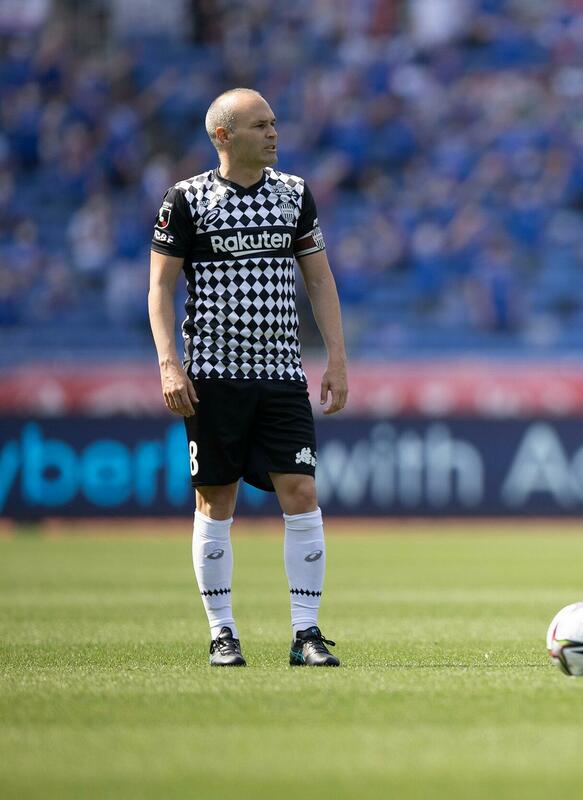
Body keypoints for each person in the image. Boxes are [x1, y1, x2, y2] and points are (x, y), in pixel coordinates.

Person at [148, 88, 349, 667]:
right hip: (213, 375)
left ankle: (306, 634)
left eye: (273, 123)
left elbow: (319, 279)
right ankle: (222, 633)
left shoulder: (294, 194)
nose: (273, 133)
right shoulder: (186, 199)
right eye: (259, 125)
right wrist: (169, 362)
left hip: (282, 373)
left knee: (302, 492)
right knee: (216, 501)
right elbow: (160, 287)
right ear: (223, 135)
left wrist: (336, 358)